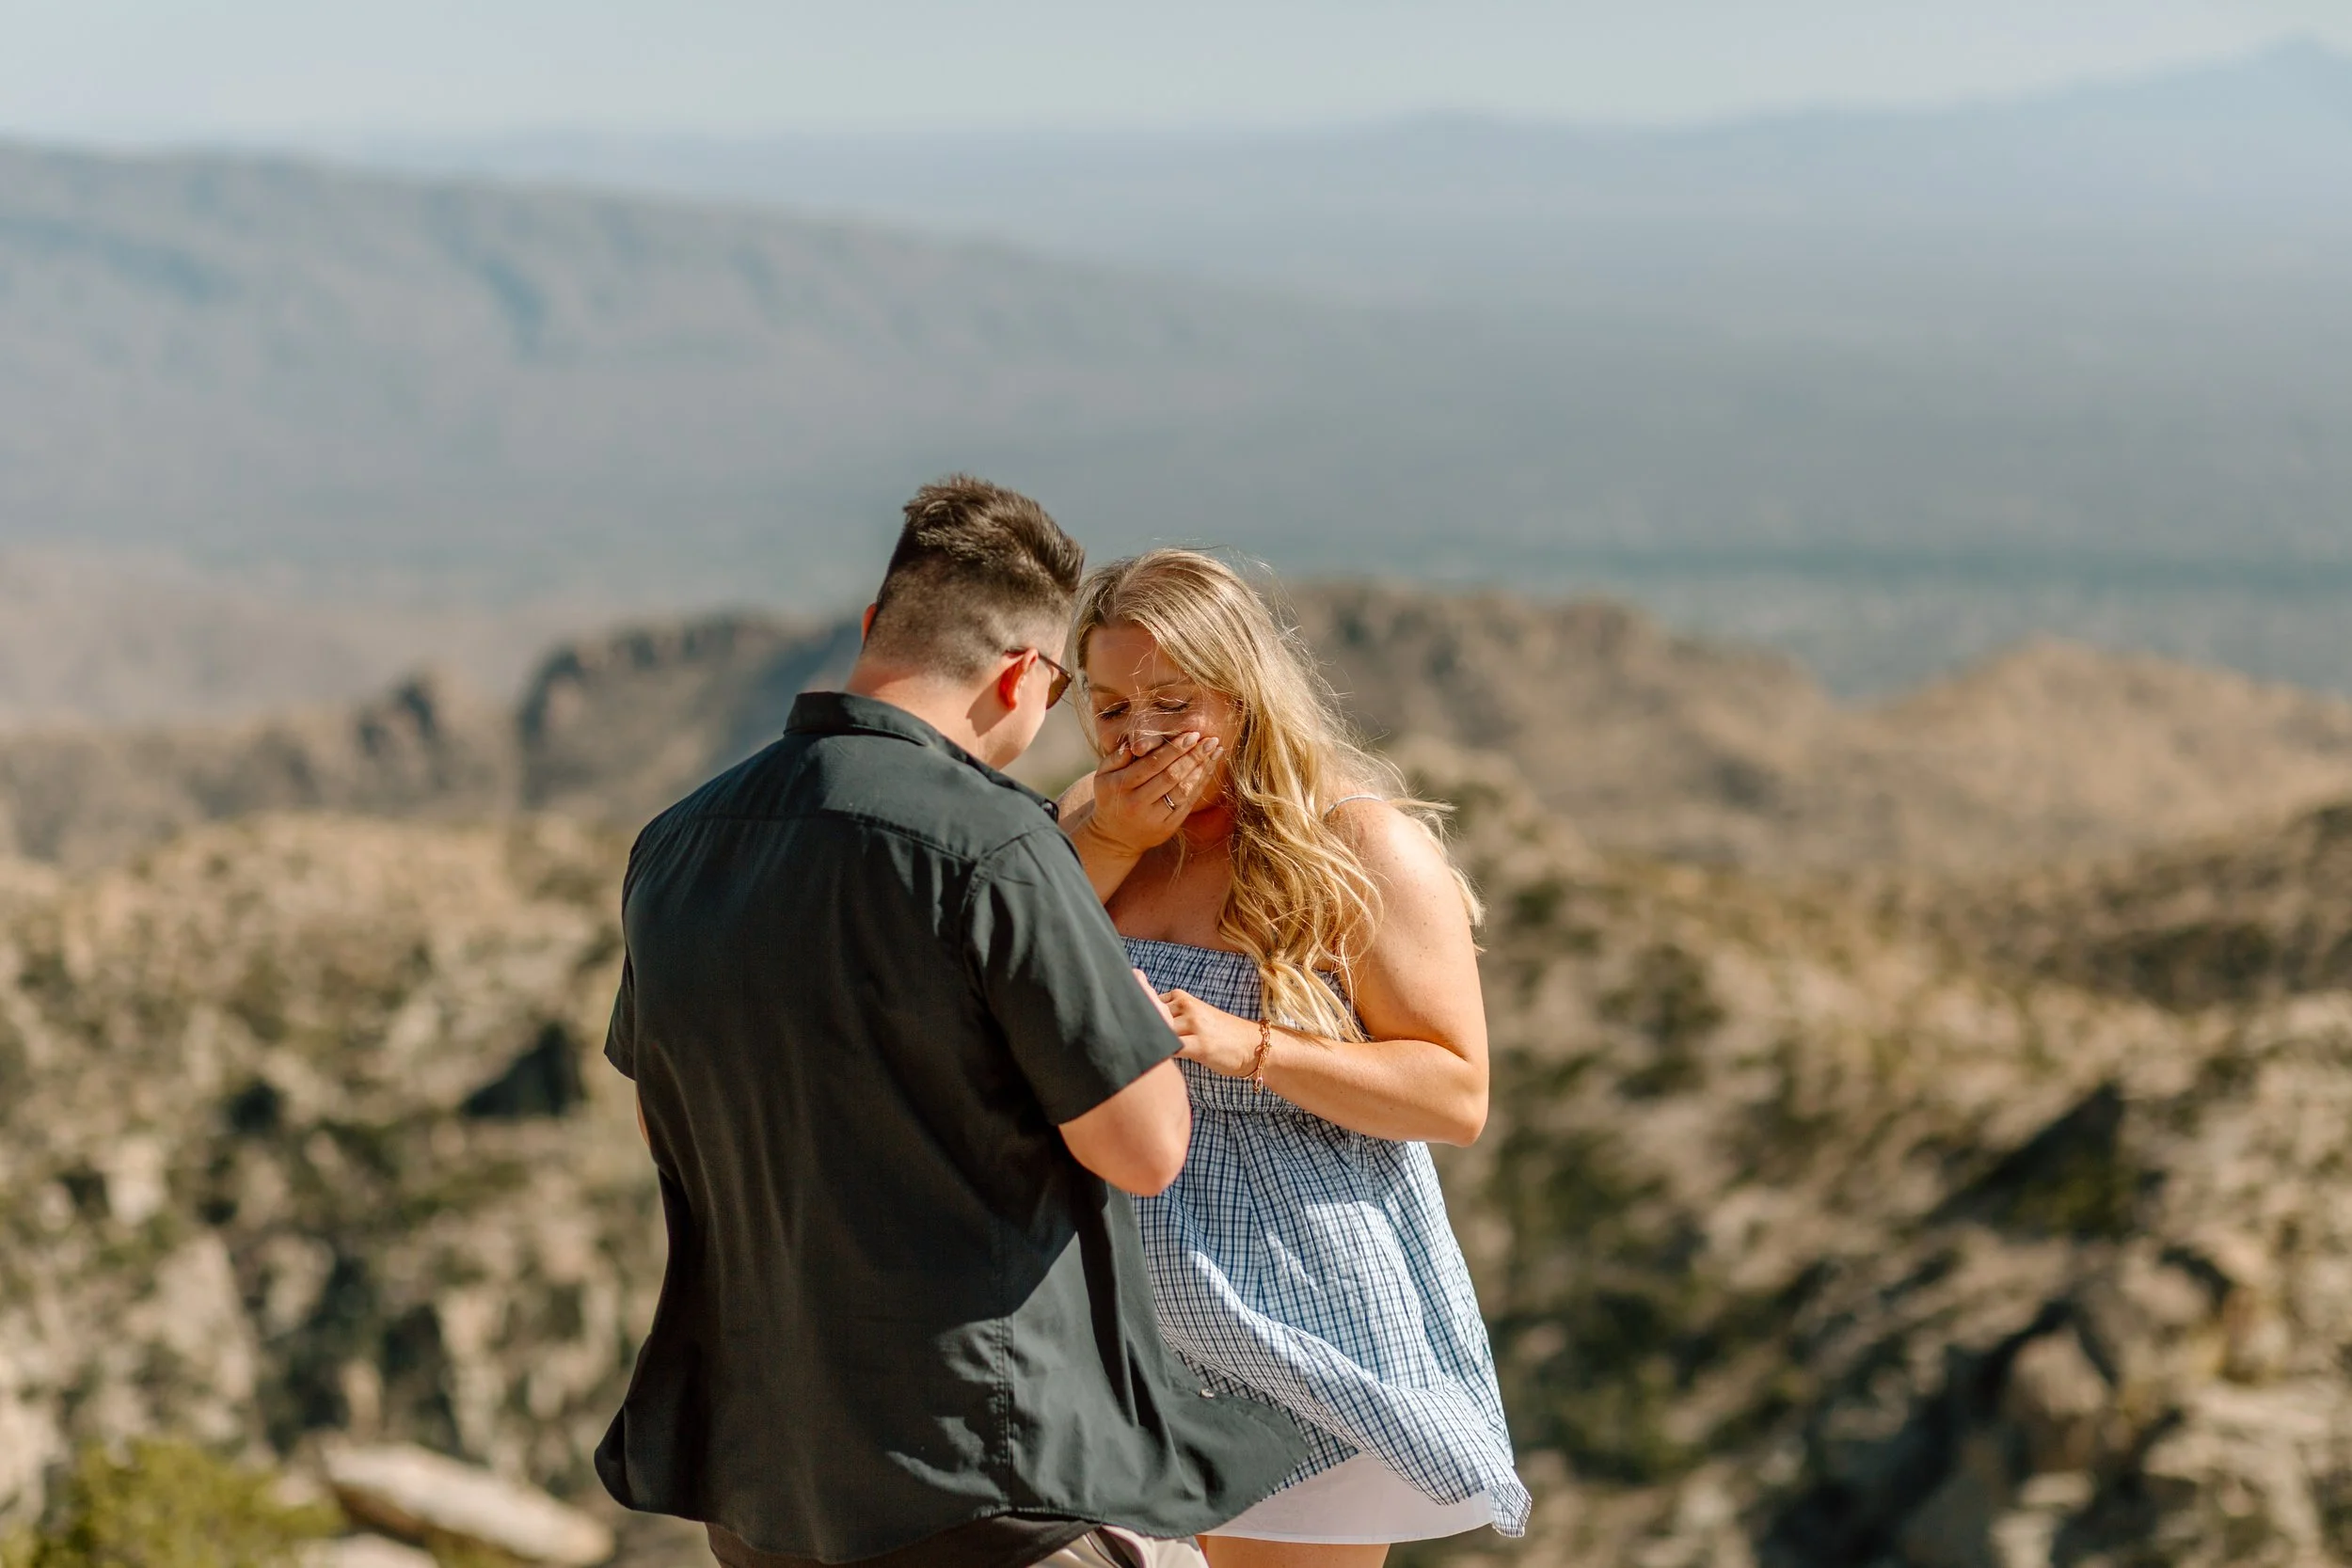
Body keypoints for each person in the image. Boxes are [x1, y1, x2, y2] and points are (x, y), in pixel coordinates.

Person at [596, 483, 1307, 1568]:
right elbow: (1145, 1144)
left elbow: (665, 1123)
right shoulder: (996, 845)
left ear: (874, 625)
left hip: (765, 1482)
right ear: (1022, 674)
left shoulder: (676, 842)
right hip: (988, 1475)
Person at [1056, 550, 1531, 1567]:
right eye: (1110, 705)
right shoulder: (1088, 827)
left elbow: (1455, 1092)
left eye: (1172, 702)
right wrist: (1110, 838)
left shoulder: (1358, 845)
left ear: (1241, 696)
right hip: (1110, 1334)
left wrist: (1248, 1045)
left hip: (1294, 1330)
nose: (1139, 736)